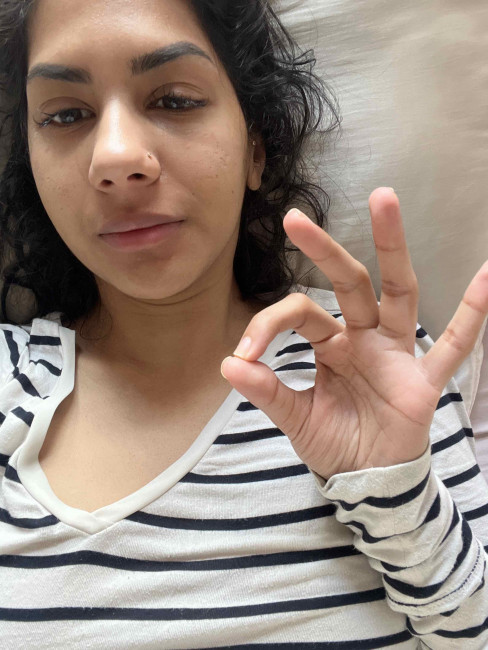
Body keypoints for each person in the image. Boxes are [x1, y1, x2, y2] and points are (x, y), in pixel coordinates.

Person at [0, 0, 487, 647]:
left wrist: (396, 497)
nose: (115, 156)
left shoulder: (371, 365)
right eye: (65, 115)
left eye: (174, 100)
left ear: (255, 150)